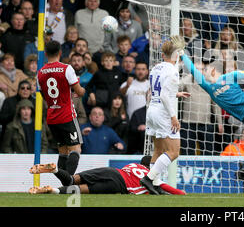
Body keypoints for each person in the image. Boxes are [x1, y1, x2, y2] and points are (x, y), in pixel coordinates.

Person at [140, 40, 191, 195]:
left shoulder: (156, 67)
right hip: (163, 113)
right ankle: (149, 178)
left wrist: (176, 94)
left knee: (159, 149)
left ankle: (155, 185)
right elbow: (163, 96)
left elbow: (156, 92)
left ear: (163, 54)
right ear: (176, 55)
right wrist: (173, 117)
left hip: (151, 111)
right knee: (174, 151)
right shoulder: (173, 71)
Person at [37, 40, 85, 176]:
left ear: (45, 53)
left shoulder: (40, 73)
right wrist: (82, 90)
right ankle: (67, 180)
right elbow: (79, 92)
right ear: (60, 52)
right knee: (76, 149)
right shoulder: (66, 68)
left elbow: (44, 95)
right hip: (67, 116)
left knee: (63, 151)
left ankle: (63, 182)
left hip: (52, 117)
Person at [28, 156, 185, 195]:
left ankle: (55, 169)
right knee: (79, 189)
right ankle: (52, 190)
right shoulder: (152, 175)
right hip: (120, 185)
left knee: (71, 179)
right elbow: (165, 188)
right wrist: (181, 193)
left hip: (113, 171)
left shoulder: (132, 165)